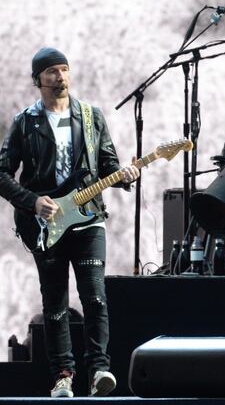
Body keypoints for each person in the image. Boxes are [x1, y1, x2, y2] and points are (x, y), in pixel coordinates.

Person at [0, 47, 139, 397]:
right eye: (52, 72)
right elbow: (2, 174)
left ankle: (99, 371)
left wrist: (126, 176)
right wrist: (32, 202)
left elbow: (108, 166)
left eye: (64, 70)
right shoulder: (25, 122)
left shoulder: (91, 117)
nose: (60, 77)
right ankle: (63, 376)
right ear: (38, 80)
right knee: (56, 300)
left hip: (89, 216)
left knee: (95, 296)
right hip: (46, 223)